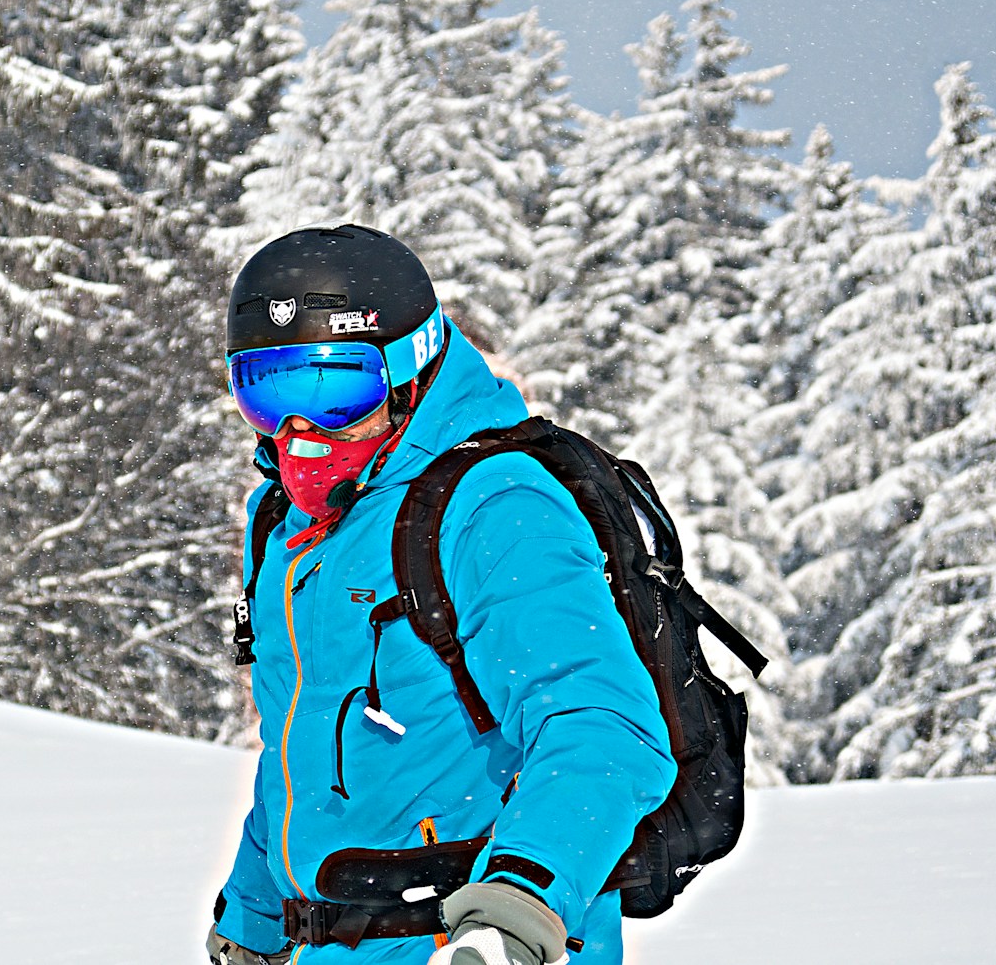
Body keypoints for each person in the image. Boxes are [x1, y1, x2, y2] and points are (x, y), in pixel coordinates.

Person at [207, 224, 675, 965]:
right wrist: (255, 917)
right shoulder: (283, 525)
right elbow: (300, 748)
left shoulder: (496, 507)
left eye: (332, 391)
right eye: (269, 395)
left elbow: (604, 728)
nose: (298, 434)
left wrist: (516, 911)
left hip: (469, 945)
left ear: (409, 371)